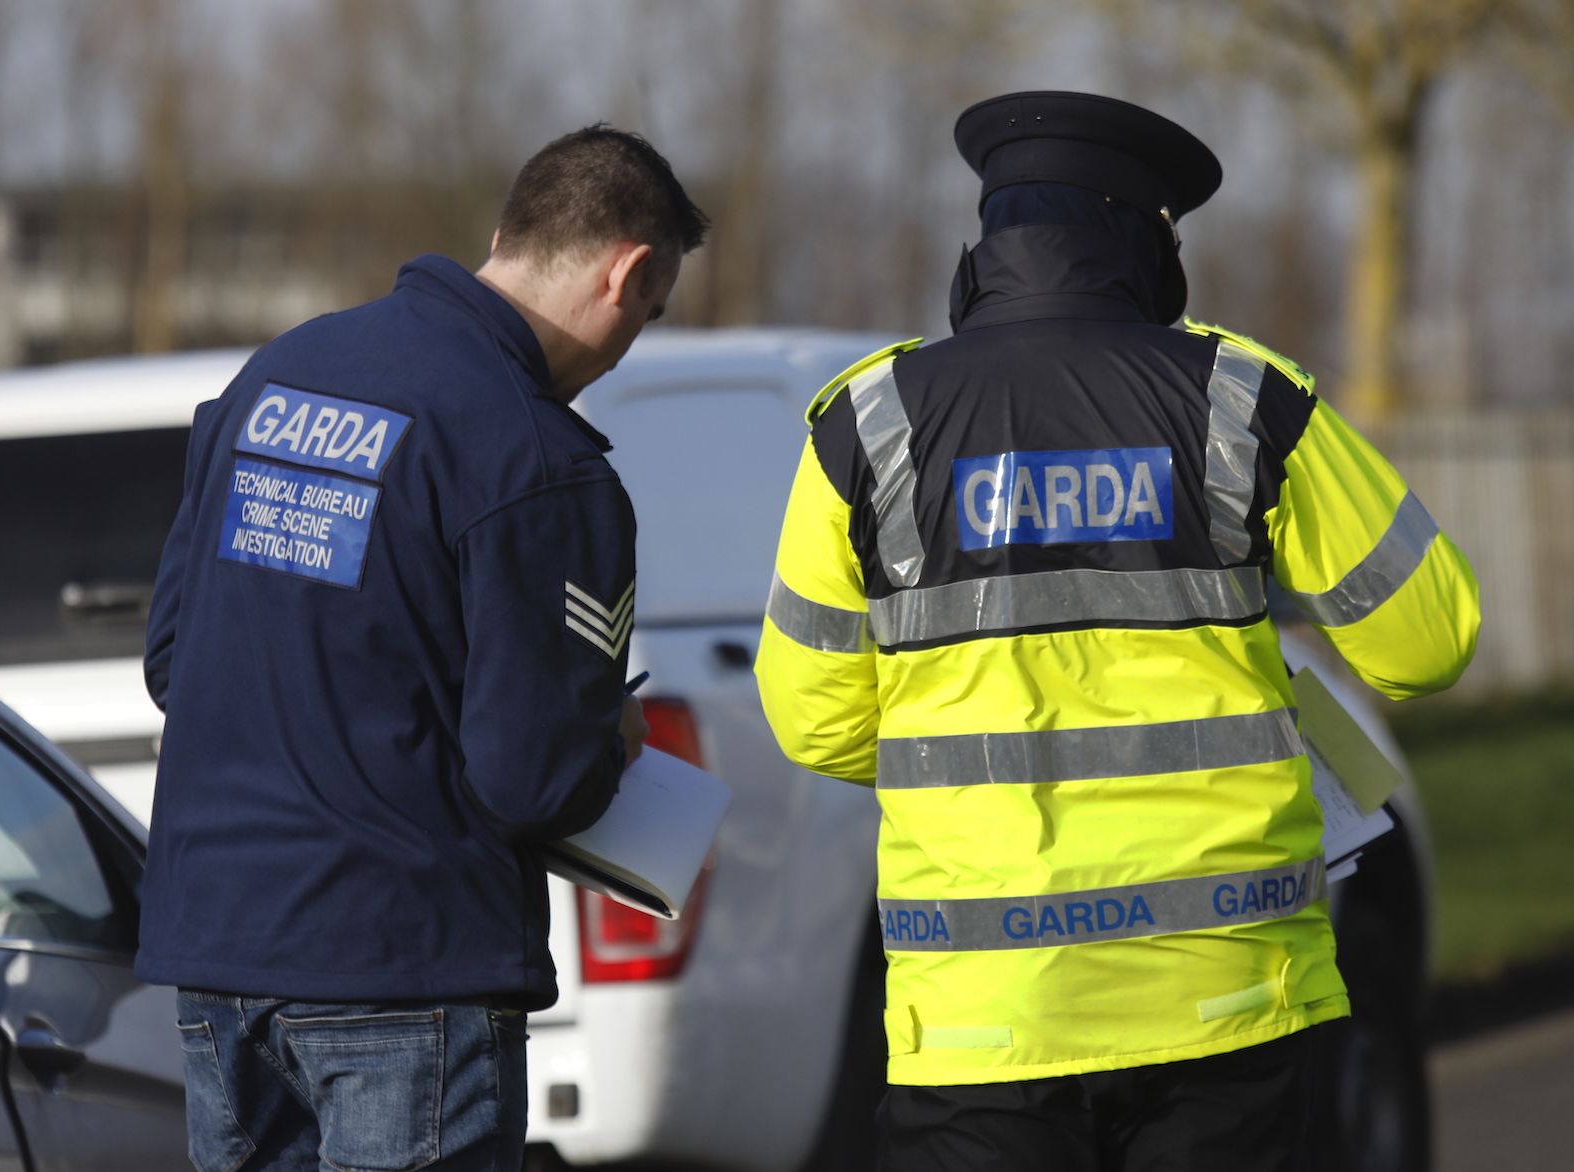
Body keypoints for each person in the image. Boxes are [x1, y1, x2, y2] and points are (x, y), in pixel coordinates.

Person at [756, 91, 1479, 1172]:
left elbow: (814, 722)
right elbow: (1427, 643)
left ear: (982, 253)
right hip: (1225, 1001)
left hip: (978, 1024)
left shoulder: (867, 427)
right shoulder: (1242, 402)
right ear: (1150, 249)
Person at [137, 125, 707, 1171]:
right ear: (627, 275)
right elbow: (533, 779)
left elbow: (174, 658)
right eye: (651, 313)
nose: (630, 346)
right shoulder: (536, 459)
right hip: (405, 970)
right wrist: (607, 732)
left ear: (504, 234)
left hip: (221, 956)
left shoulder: (278, 372)